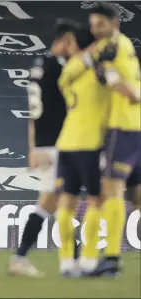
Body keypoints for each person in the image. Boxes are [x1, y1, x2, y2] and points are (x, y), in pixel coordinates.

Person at [84, 2, 141, 276]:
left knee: (111, 189)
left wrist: (103, 75)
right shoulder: (123, 46)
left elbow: (129, 92)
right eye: (92, 25)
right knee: (136, 194)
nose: (95, 30)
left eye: (100, 25)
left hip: (123, 128)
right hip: (135, 127)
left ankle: (113, 259)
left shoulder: (114, 47)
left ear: (113, 23)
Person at [52, 22, 110, 277]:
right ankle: (87, 260)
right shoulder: (100, 72)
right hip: (90, 144)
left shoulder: (70, 71)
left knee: (66, 202)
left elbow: (65, 78)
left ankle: (66, 262)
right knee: (96, 200)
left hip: (66, 143)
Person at [8, 33, 67, 276]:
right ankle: (74, 262)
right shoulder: (59, 68)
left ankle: (22, 257)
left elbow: (34, 115)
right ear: (66, 41)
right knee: (59, 200)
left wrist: (33, 148)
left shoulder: (39, 66)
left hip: (46, 142)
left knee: (54, 201)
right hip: (59, 142)